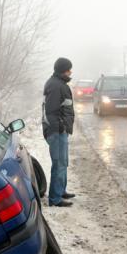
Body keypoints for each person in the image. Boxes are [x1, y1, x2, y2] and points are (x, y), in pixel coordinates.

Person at [42, 58, 77, 207]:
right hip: (56, 131)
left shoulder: (59, 83)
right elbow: (51, 111)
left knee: (63, 162)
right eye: (69, 69)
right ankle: (55, 198)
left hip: (60, 130)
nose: (71, 71)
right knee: (58, 163)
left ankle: (60, 190)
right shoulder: (56, 86)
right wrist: (61, 126)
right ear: (63, 70)